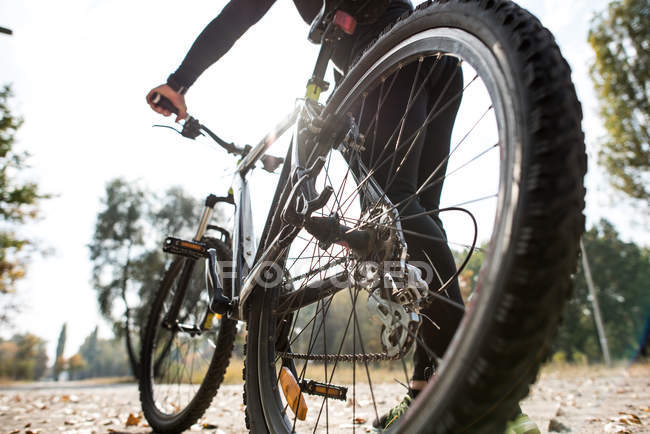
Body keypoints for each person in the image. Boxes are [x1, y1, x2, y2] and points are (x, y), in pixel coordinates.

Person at [146, 1, 540, 433]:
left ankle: (486, 399)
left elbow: (238, 15)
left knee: (400, 209)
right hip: (432, 55)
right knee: (415, 215)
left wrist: (179, 82)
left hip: (381, 57)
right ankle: (429, 388)